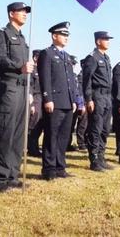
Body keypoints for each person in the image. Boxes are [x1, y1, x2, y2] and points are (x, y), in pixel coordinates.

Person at [0, 2, 34, 192]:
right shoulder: (3, 34)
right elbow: (0, 61)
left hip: (23, 89)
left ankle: (12, 175)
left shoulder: (22, 37)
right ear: (11, 14)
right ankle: (0, 179)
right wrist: (19, 68)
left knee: (18, 134)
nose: (25, 14)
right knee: (6, 133)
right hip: (9, 89)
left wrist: (31, 92)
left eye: (26, 12)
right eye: (22, 11)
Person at [38, 22, 77, 180]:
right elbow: (45, 77)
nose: (66, 38)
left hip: (67, 102)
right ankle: (49, 169)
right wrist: (47, 98)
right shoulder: (47, 54)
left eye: (67, 35)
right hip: (54, 101)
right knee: (51, 135)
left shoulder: (66, 56)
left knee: (63, 137)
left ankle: (60, 166)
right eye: (63, 35)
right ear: (54, 36)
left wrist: (73, 99)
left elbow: (70, 80)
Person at [82, 31, 114, 172]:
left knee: (105, 129)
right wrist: (89, 99)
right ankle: (94, 159)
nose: (108, 41)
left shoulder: (106, 58)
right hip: (97, 95)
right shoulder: (92, 58)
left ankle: (101, 157)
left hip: (107, 97)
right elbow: (87, 80)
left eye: (108, 39)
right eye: (105, 39)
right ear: (98, 41)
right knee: (96, 128)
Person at [27, 50, 43, 157]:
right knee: (33, 124)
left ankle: (35, 148)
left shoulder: (42, 70)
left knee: (40, 125)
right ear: (35, 58)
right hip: (35, 98)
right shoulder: (32, 70)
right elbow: (30, 87)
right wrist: (31, 103)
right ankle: (31, 149)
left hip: (42, 98)